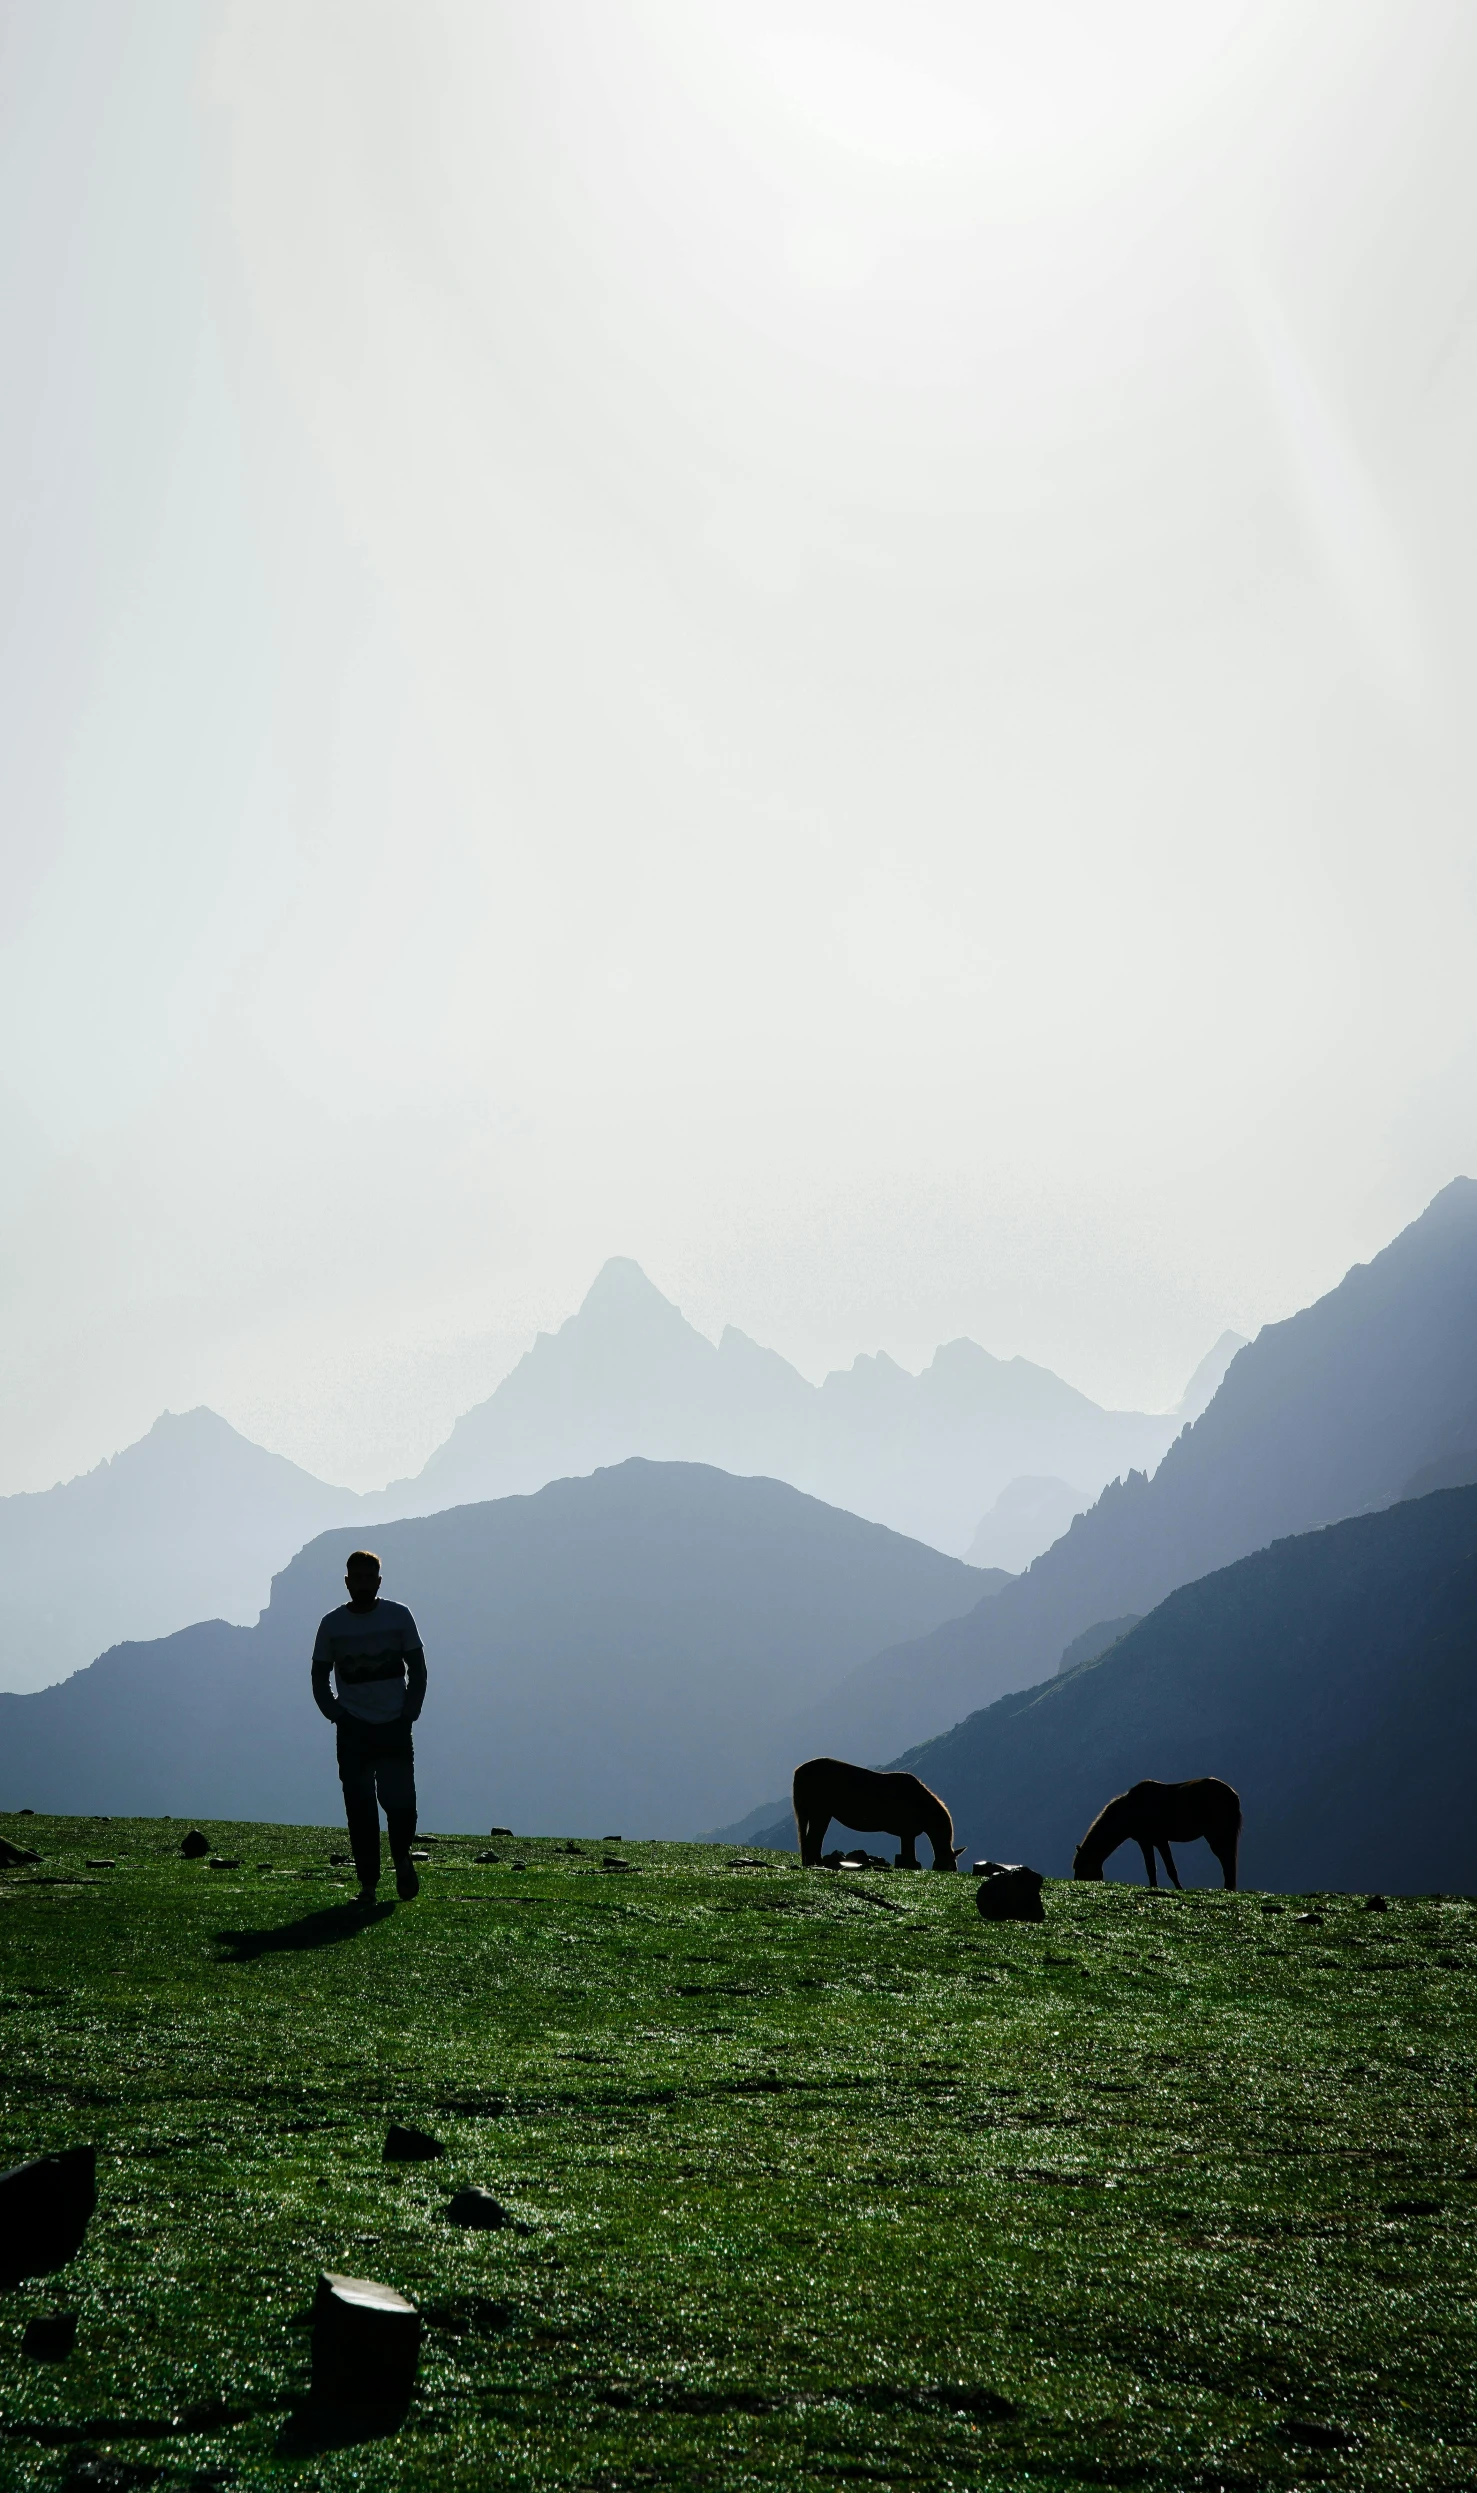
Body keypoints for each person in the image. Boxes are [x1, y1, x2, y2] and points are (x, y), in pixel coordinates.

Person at [311, 1548, 427, 1907]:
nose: (362, 1585)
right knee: (360, 1808)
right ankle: (368, 1886)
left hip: (394, 1724)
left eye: (368, 1578)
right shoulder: (332, 1625)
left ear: (378, 1581)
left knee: (401, 1802)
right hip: (353, 1728)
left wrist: (410, 1711)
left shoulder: (399, 1616)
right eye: (355, 1578)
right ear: (346, 1582)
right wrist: (336, 1713)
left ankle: (402, 1858)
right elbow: (319, 1674)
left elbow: (418, 1668)